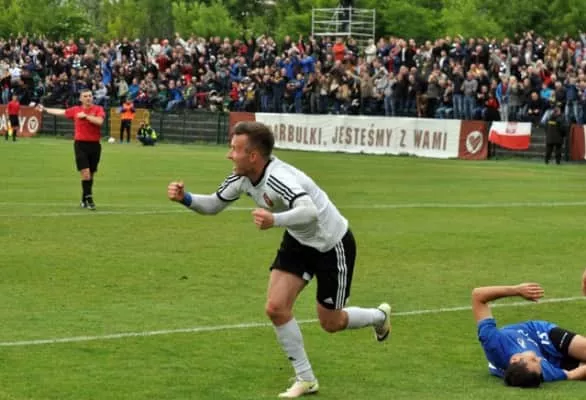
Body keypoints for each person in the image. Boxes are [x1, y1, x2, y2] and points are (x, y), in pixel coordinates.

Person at [167, 121, 391, 398]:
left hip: (332, 244)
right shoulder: (240, 177)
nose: (229, 155)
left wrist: (274, 220)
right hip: (298, 241)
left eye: (234, 149)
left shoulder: (278, 178)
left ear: (253, 156)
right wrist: (185, 198)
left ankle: (379, 316)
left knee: (331, 323)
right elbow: (214, 204)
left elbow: (309, 211)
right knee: (275, 307)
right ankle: (306, 379)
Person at [472, 275, 586, 388]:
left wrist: (516, 290)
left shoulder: (494, 344)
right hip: (554, 364)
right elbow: (572, 374)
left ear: (515, 359)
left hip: (538, 333)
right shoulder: (541, 372)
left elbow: (478, 295)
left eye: (533, 359)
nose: (539, 359)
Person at [37, 89, 105, 210]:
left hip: (95, 145)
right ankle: (90, 200)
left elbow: (99, 121)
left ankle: (84, 199)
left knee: (91, 174)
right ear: (81, 99)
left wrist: (86, 116)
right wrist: (45, 109)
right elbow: (62, 112)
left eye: (90, 96)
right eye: (85, 96)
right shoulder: (75, 110)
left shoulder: (98, 109)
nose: (88, 98)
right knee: (85, 173)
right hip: (80, 145)